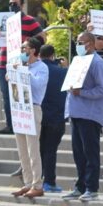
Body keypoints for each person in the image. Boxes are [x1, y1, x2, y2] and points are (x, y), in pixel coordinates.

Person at [63, 32, 103, 202]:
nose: (78, 45)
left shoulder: (97, 63)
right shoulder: (79, 61)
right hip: (76, 112)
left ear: (90, 43)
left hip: (90, 115)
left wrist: (81, 92)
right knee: (78, 153)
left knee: (90, 153)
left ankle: (92, 188)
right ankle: (80, 186)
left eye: (81, 42)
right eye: (77, 41)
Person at [0, 0, 45, 135]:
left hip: (20, 63)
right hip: (3, 62)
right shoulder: (5, 20)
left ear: (22, 5)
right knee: (6, 96)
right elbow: (0, 41)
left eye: (15, 3)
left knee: (20, 94)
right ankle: (10, 125)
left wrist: (27, 45)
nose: (12, 6)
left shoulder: (29, 21)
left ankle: (21, 124)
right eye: (10, 3)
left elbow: (42, 38)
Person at [10, 37, 48, 198]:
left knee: (33, 149)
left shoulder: (42, 67)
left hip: (32, 107)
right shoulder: (21, 65)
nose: (22, 51)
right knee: (22, 149)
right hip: (20, 107)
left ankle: (37, 184)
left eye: (24, 48)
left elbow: (38, 85)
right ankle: (27, 183)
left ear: (33, 50)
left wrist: (23, 71)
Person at [39, 45, 68, 192]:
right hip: (57, 116)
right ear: (53, 55)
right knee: (50, 150)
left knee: (39, 150)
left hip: (39, 116)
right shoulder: (63, 72)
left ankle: (38, 179)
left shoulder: (36, 70)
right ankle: (49, 181)